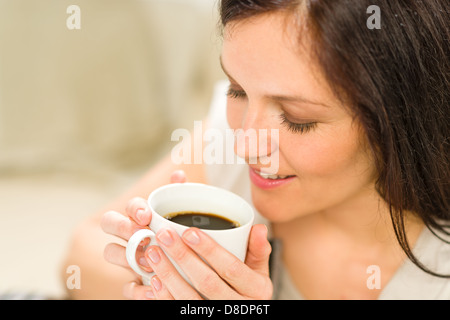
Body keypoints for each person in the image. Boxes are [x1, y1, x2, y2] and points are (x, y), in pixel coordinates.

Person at [62, 0, 450, 299]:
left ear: (401, 118)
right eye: (236, 89)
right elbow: (80, 257)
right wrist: (159, 271)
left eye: (298, 118)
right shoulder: (226, 141)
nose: (245, 145)